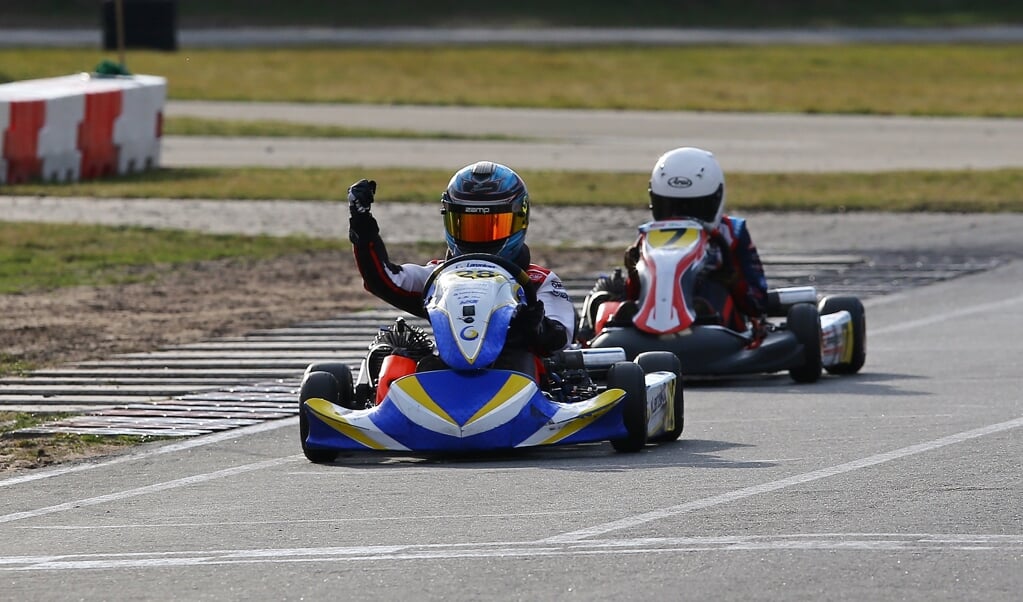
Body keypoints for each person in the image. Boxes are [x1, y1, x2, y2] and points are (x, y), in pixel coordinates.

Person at [347, 160, 574, 374]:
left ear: (520, 220)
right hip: (446, 375)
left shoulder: (539, 282)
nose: (479, 239)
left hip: (519, 377)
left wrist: (535, 325)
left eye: (491, 228)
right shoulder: (437, 279)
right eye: (468, 226)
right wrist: (363, 226)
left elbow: (561, 337)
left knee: (526, 360)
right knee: (401, 361)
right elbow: (383, 279)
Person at [621, 146, 769, 334]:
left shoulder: (732, 234)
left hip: (718, 326)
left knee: (713, 290)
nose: (680, 218)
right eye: (671, 207)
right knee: (616, 305)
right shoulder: (649, 237)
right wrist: (634, 275)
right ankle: (630, 323)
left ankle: (702, 313)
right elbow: (633, 294)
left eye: (692, 208)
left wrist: (734, 282)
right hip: (651, 318)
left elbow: (759, 302)